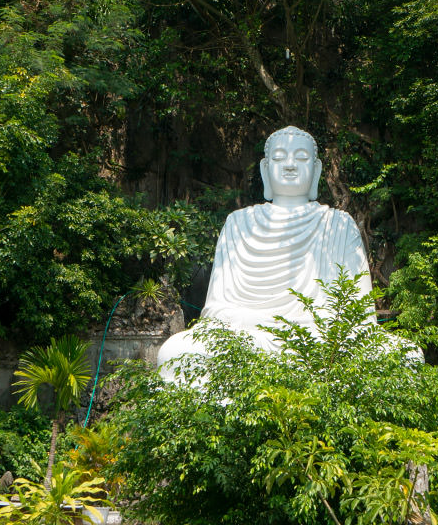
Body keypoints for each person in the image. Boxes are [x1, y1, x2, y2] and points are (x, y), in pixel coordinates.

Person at [156, 125, 375, 372]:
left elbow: (362, 315)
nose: (290, 165)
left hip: (320, 338)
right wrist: (258, 322)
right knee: (173, 353)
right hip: (249, 337)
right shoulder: (238, 223)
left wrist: (312, 326)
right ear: (265, 168)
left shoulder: (339, 224)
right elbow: (216, 309)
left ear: (316, 170)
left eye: (301, 158)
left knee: (404, 355)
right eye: (280, 158)